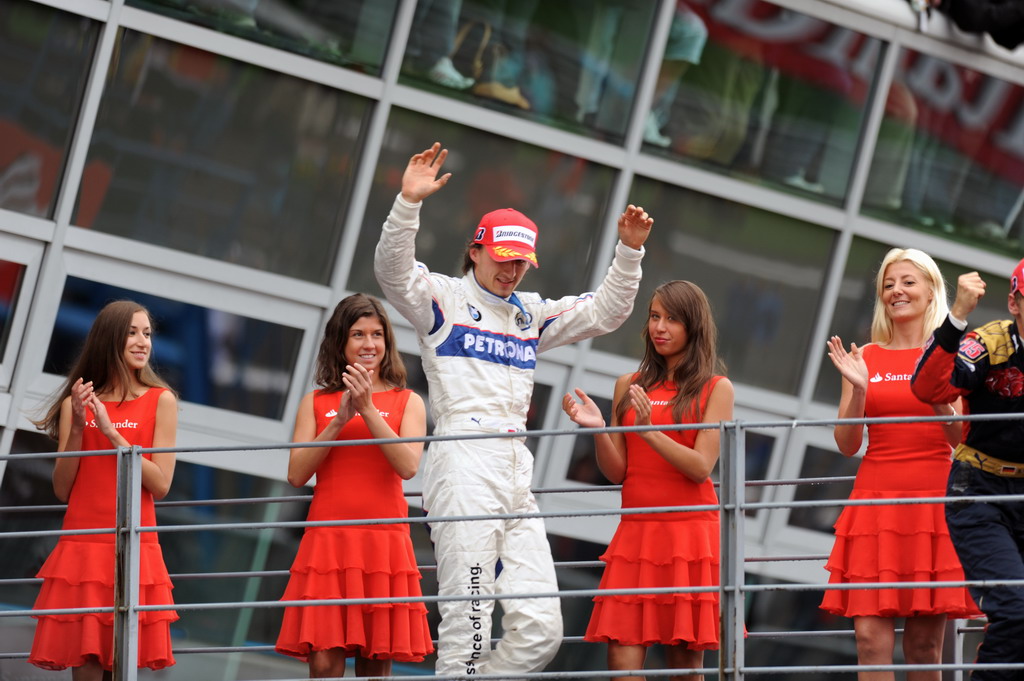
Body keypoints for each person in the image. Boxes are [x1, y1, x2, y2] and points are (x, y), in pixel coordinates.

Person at [374, 142, 653, 677]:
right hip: (463, 464)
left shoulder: (530, 314)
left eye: (521, 263)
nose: (512, 272)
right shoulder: (443, 300)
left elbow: (605, 312)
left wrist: (629, 253)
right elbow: (392, 271)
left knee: (542, 633)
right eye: (503, 260)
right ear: (475, 251)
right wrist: (407, 203)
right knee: (470, 631)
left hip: (514, 472)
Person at [562, 280, 734, 681]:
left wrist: (648, 430)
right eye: (655, 317)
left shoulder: (715, 387)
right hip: (636, 535)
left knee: (684, 667)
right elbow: (620, 472)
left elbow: (700, 467)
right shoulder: (629, 384)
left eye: (672, 318)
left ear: (694, 326)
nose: (660, 327)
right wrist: (598, 429)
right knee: (621, 662)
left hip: (689, 537)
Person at [823, 248, 979, 681]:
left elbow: (961, 442)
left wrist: (939, 401)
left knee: (924, 647)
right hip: (875, 503)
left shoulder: (956, 355)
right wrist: (857, 391)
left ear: (932, 291)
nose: (897, 291)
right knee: (870, 641)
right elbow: (846, 443)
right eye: (889, 285)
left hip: (934, 503)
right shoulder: (866, 356)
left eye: (908, 282)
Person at [275, 293, 432, 678]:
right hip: (328, 543)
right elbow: (297, 474)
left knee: (374, 662)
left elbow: (408, 465)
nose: (369, 344)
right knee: (324, 661)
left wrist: (366, 410)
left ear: (387, 342)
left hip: (383, 544)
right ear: (341, 342)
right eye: (358, 334)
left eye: (377, 334)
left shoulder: (408, 401)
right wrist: (337, 420)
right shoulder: (316, 401)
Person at [29, 300, 179, 680]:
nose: (142, 341)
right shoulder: (75, 405)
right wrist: (78, 426)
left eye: (147, 333)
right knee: (88, 665)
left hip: (133, 545)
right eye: (132, 332)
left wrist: (112, 434)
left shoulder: (161, 400)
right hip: (83, 546)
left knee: (120, 662)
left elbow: (160, 484)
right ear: (109, 338)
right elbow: (63, 490)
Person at [911, 259, 1024, 681]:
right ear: (1014, 302)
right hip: (979, 489)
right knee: (1015, 607)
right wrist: (957, 316)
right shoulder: (989, 343)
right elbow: (928, 388)